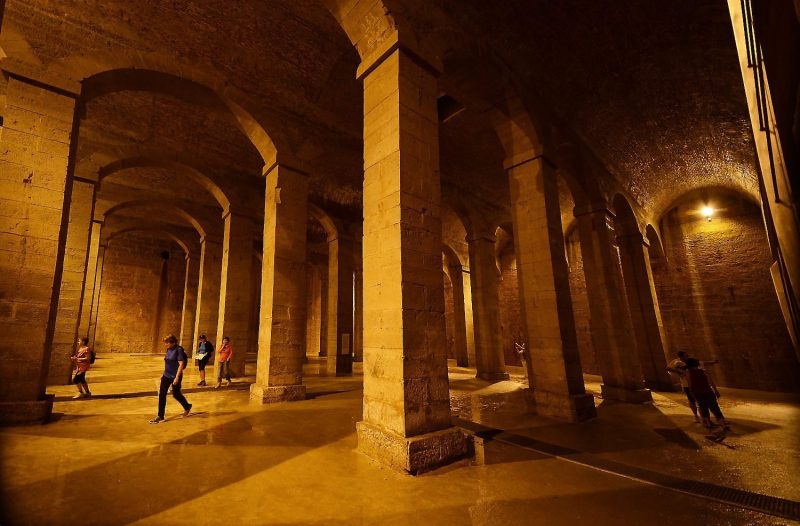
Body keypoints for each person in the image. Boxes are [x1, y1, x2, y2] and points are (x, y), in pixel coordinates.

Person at [150, 334, 192, 424]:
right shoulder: (169, 349)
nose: (165, 345)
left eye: (167, 343)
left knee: (176, 394)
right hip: (166, 375)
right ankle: (160, 416)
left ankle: (187, 406)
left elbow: (181, 364)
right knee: (162, 394)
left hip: (175, 376)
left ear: (172, 343)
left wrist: (176, 378)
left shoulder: (179, 350)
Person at [685, 358, 729, 429]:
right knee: (715, 407)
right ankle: (722, 423)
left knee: (703, 407)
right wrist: (716, 391)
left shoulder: (688, 372)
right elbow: (711, 382)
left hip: (698, 393)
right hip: (708, 391)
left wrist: (691, 392)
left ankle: (708, 424)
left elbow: (690, 384)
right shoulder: (704, 371)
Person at [666, 351, 699, 422]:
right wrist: (679, 371)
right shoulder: (676, 362)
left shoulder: (689, 361)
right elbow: (668, 368)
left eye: (687, 355)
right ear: (680, 357)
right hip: (686, 384)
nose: (687, 357)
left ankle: (705, 417)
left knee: (700, 400)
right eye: (685, 356)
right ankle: (696, 416)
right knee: (692, 400)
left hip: (695, 383)